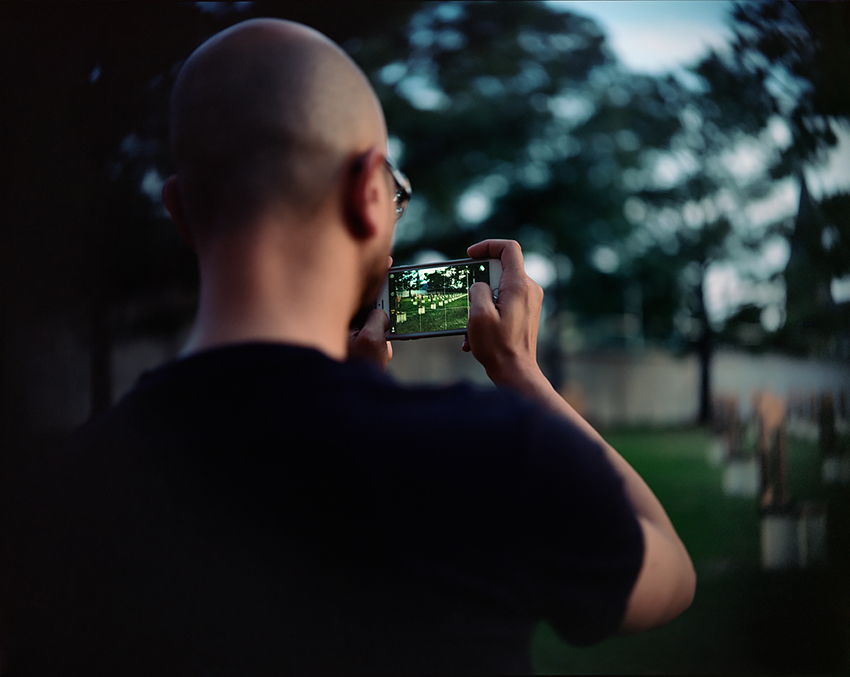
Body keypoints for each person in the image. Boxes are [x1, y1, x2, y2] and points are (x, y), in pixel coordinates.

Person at [4, 18, 695, 675]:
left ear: (181, 211)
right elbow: (669, 571)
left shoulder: (51, 502)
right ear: (368, 193)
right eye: (395, 194)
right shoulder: (496, 455)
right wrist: (520, 371)